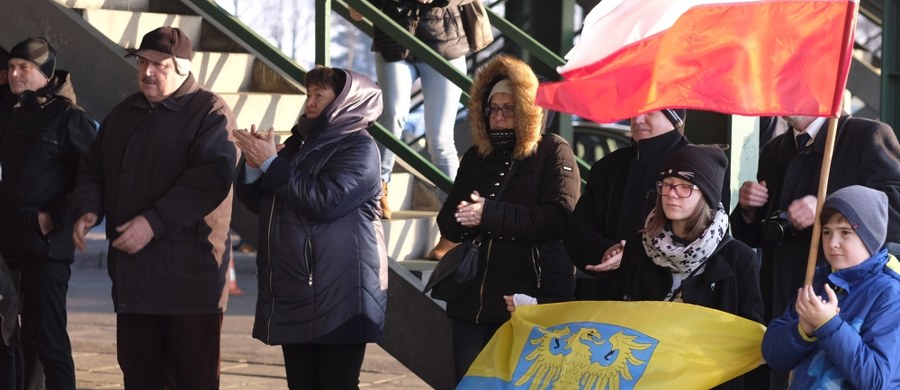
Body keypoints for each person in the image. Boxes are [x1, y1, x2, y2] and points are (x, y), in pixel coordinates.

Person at [70, 27, 237, 388]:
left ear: (181, 68)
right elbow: (92, 168)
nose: (146, 71)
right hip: (134, 283)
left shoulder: (210, 112)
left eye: (158, 65)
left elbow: (209, 181)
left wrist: (153, 222)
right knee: (140, 378)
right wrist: (88, 209)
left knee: (193, 380)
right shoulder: (123, 114)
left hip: (190, 286)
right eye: (142, 62)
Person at [234, 66, 388, 389]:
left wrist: (271, 165)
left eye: (320, 95)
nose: (311, 102)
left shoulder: (360, 148)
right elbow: (265, 204)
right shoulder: (298, 144)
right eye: (308, 95)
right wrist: (252, 167)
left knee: (337, 383)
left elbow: (325, 201)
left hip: (340, 294)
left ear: (345, 102)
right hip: (297, 290)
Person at [436, 55, 580, 382]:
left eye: (509, 108)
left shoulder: (553, 150)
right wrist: (463, 217)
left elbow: (558, 218)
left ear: (528, 111)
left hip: (526, 296)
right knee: (469, 383)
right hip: (473, 298)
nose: (499, 117)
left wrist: (487, 213)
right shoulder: (476, 155)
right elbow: (448, 224)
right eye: (493, 108)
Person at [0, 37, 96, 390]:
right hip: (8, 249)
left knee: (49, 343)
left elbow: (94, 175)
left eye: (24, 67)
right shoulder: (14, 113)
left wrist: (56, 217)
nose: (15, 73)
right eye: (11, 67)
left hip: (45, 251)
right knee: (7, 339)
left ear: (46, 73)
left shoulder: (69, 118)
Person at [762, 185, 900, 389]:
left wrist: (828, 325)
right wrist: (803, 330)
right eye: (827, 232)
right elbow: (773, 356)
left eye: (845, 232)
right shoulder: (816, 280)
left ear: (871, 237)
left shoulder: (890, 293)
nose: (832, 242)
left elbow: (876, 380)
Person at [351, 0, 472, 219]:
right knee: (393, 114)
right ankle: (378, 189)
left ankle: (454, 219)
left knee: (441, 138)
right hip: (394, 38)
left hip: (444, 42)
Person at [564, 108, 690, 298]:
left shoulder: (695, 168)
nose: (637, 119)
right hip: (606, 300)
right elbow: (577, 229)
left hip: (667, 303)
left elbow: (696, 239)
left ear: (674, 117)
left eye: (649, 112)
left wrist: (631, 254)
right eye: (634, 111)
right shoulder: (608, 166)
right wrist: (605, 250)